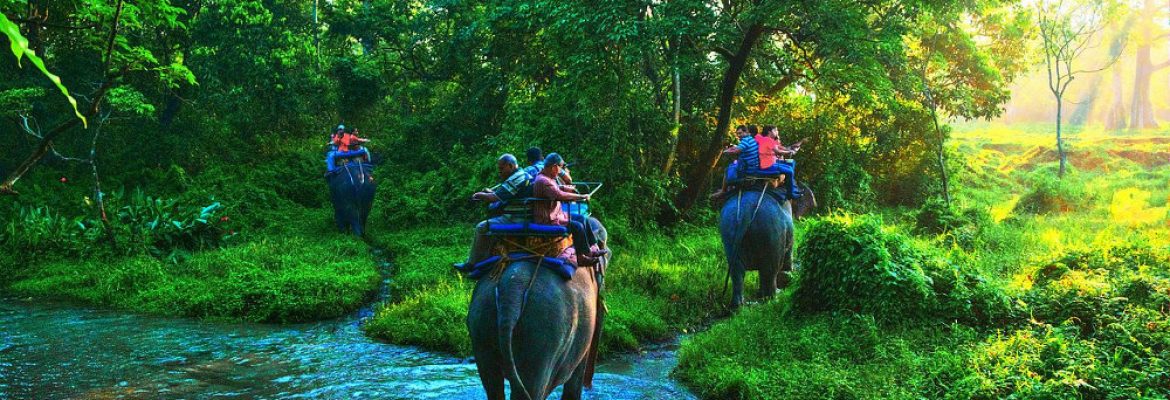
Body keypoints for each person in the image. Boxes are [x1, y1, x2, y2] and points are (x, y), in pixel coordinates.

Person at [454, 154, 533, 270]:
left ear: (510, 166)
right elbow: (504, 193)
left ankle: (472, 264)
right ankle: (487, 256)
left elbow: (495, 198)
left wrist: (480, 195)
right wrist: (490, 193)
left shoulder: (516, 178)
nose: (499, 172)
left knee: (481, 227)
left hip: (515, 218)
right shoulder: (522, 175)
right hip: (519, 215)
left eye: (501, 168)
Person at [532, 153, 609, 266]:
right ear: (554, 167)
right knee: (577, 227)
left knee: (582, 218)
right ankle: (582, 256)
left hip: (557, 214)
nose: (560, 172)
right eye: (560, 167)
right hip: (548, 219)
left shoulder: (548, 178)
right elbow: (559, 195)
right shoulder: (543, 181)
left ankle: (592, 247)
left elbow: (557, 188)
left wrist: (566, 188)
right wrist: (581, 196)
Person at [709, 125, 757, 200]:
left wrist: (725, 151)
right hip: (753, 166)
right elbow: (739, 147)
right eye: (737, 134)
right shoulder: (750, 139)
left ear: (746, 132)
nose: (739, 136)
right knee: (734, 164)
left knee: (728, 169)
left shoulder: (745, 140)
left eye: (740, 133)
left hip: (747, 168)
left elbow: (736, 151)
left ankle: (723, 190)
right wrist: (733, 147)